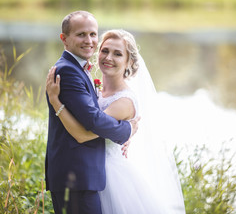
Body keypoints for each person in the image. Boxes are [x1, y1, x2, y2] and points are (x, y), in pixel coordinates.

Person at [46, 29, 186, 213]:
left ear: (130, 62)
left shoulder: (124, 102)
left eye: (117, 54)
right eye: (105, 51)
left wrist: (55, 101)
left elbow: (83, 134)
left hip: (109, 176)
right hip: (89, 169)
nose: (108, 57)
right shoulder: (94, 87)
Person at [45, 11, 140, 214]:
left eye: (93, 34)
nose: (89, 40)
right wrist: (127, 130)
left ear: (128, 61)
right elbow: (92, 123)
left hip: (89, 175)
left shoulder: (80, 69)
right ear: (64, 39)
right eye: (81, 34)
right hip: (77, 176)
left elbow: (93, 122)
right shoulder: (69, 71)